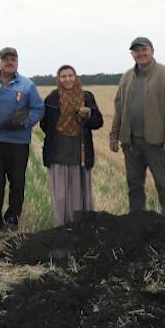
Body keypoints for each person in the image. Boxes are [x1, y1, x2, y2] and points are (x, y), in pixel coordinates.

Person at [109, 37, 165, 219]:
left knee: (164, 185)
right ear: (132, 54)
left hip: (157, 142)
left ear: (152, 51)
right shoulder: (127, 77)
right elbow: (119, 107)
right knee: (134, 186)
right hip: (131, 143)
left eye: (144, 49)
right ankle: (137, 223)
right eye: (136, 51)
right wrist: (114, 135)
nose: (140, 54)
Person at [0, 47, 45, 232]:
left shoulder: (27, 85)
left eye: (13, 59)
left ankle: (12, 220)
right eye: (5, 59)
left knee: (17, 183)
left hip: (18, 143)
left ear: (17, 62)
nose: (9, 62)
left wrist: (24, 122)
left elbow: (39, 109)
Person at [39, 65, 103, 226]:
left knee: (79, 190)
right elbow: (45, 124)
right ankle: (62, 225)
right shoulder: (52, 98)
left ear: (75, 77)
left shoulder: (87, 97)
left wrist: (88, 115)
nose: (67, 79)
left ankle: (81, 225)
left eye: (70, 75)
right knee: (61, 192)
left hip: (80, 149)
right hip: (58, 149)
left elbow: (98, 122)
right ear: (58, 79)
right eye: (63, 76)